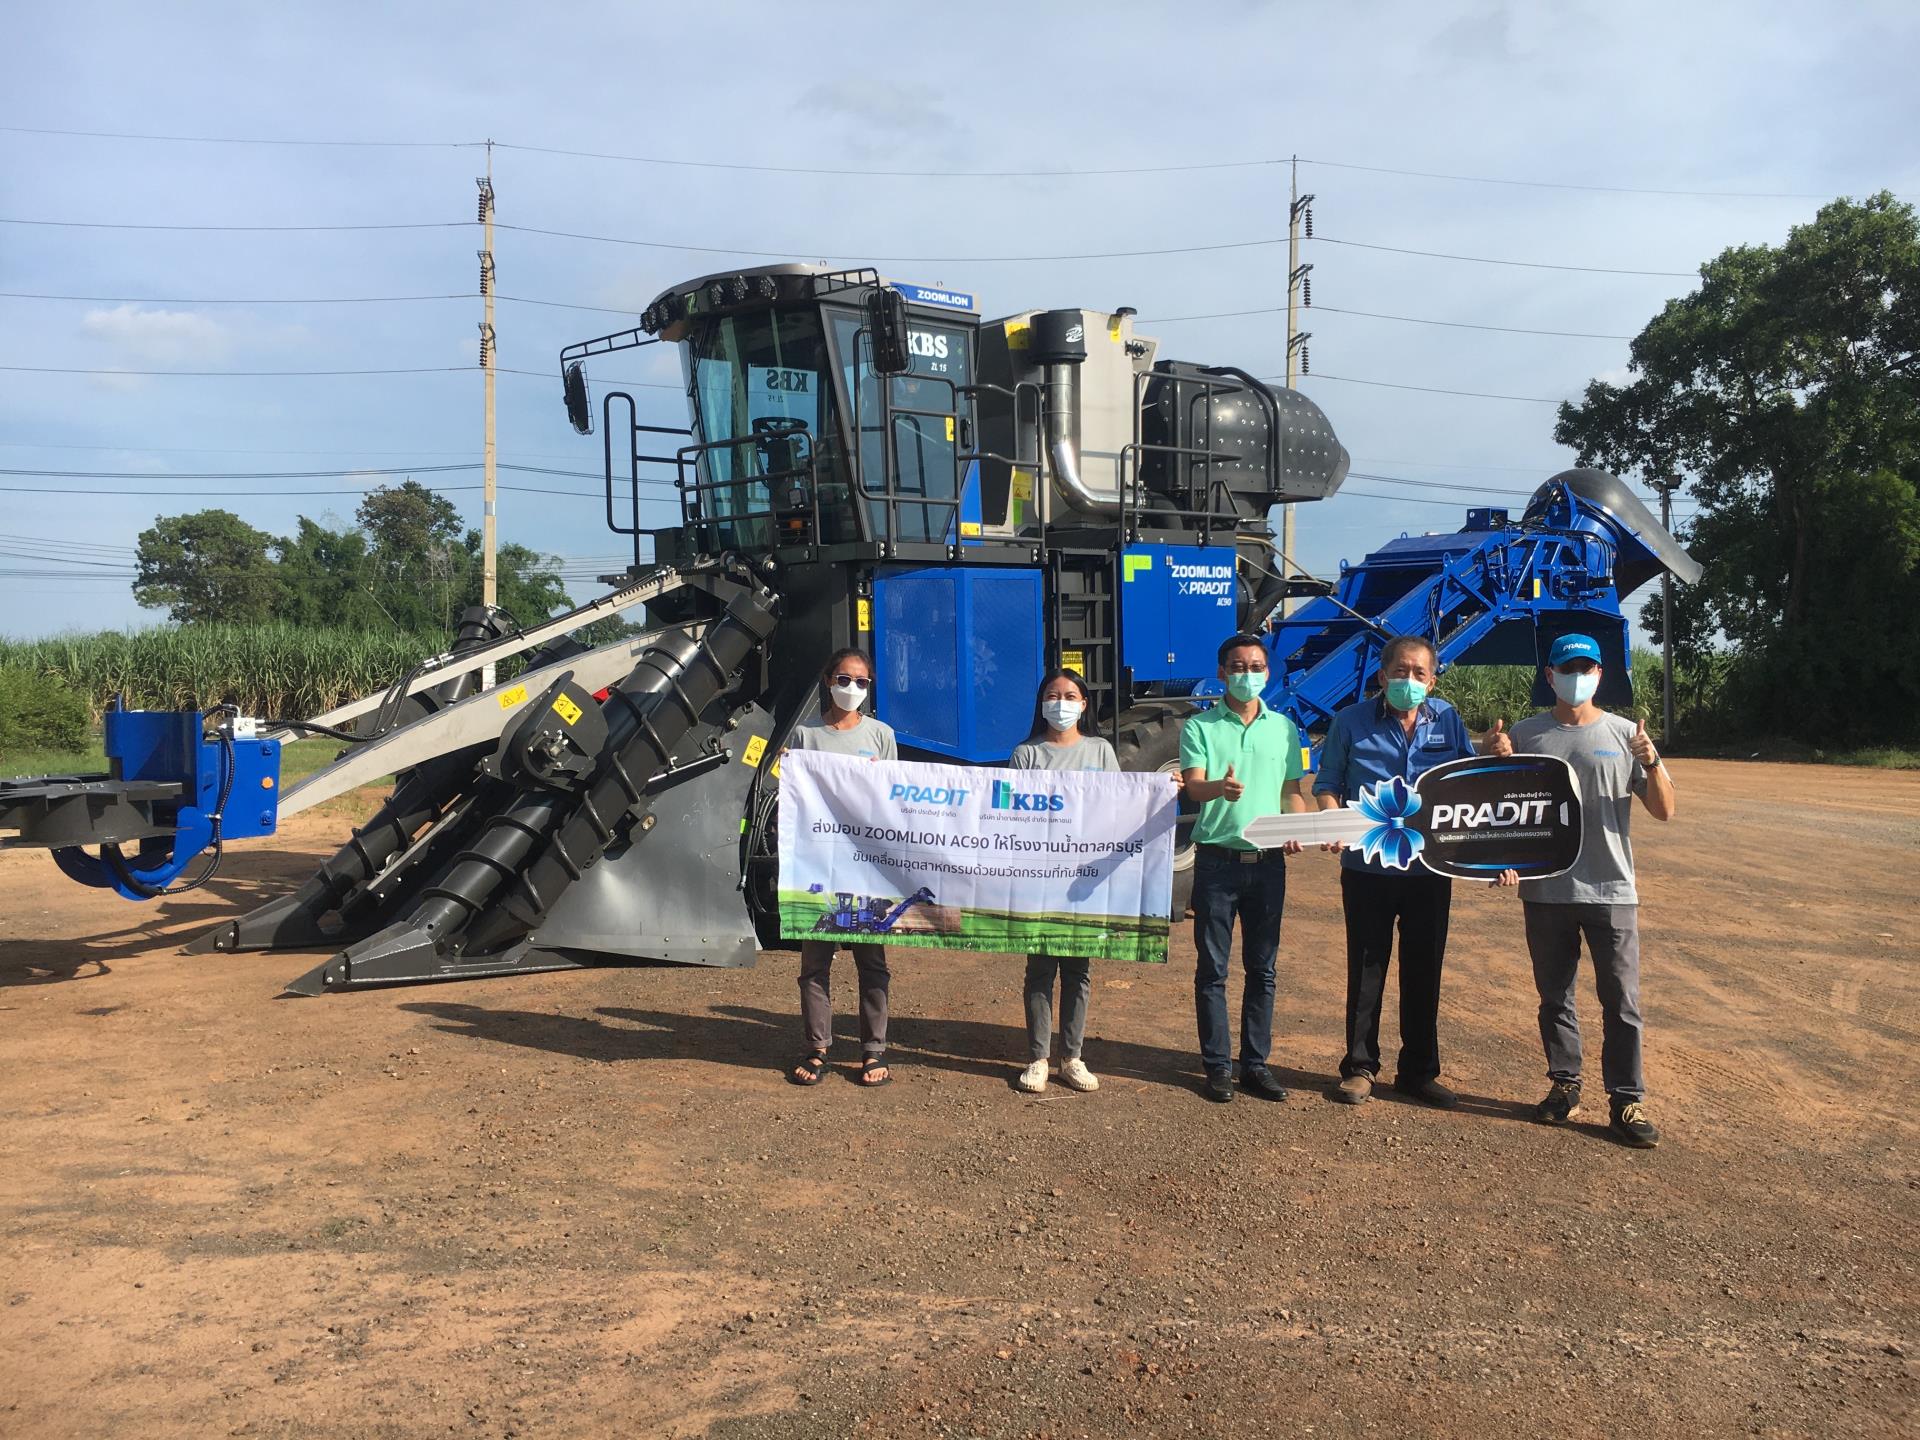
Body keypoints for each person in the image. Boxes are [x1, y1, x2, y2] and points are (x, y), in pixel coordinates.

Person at [1313, 635, 1513, 1109]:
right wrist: (1331, 819)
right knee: (1367, 968)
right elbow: (1328, 783)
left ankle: (1418, 1073)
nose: (1409, 680)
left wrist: (1489, 753)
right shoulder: (1350, 721)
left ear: (1432, 680)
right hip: (1367, 867)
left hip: (1429, 868)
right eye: (1400, 672)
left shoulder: (1447, 719)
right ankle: (1360, 1067)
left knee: (1425, 969)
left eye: (1419, 673)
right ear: (1382, 676)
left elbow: (1466, 782)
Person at [1502, 632, 1676, 1148]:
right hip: (1546, 891)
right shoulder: (1526, 734)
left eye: (1586, 668)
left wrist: (1651, 761)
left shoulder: (1626, 736)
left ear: (1600, 675)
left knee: (1621, 1001)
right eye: (1567, 668)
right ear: (1550, 675)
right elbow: (1502, 809)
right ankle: (1565, 1085)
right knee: (1554, 997)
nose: (1576, 676)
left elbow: (1665, 810)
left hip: (1611, 888)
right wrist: (1494, 760)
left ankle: (1626, 1100)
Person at [1179, 632, 1311, 1103]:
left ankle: (1255, 1064)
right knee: (1212, 969)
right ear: (1221, 673)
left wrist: (1297, 826)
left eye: (1255, 667)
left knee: (1263, 968)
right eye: (1237, 667)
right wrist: (1220, 788)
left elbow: (1292, 791)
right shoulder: (1200, 727)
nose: (1246, 675)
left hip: (1269, 863)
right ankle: (1217, 1066)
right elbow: (1193, 787)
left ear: (1268, 673)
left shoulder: (1285, 728)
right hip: (1217, 862)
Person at [786, 648, 899, 1090]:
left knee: (872, 963)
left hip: (866, 867)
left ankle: (873, 1050)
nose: (852, 688)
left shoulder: (882, 736)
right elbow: (794, 799)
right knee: (815, 963)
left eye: (862, 681)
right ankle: (817, 1047)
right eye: (844, 679)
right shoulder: (805, 736)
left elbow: (895, 799)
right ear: (828, 680)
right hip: (819, 865)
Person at [1006, 669, 1120, 1095]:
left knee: (1078, 969)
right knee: (1039, 969)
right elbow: (1011, 815)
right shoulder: (1026, 754)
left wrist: (1164, 788)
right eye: (1053, 695)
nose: (1061, 703)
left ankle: (1071, 1057)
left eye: (1070, 696)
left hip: (1083, 880)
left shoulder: (1100, 750)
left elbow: (1122, 803)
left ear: (1084, 704)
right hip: (1039, 876)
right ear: (1041, 703)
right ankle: (1037, 1058)